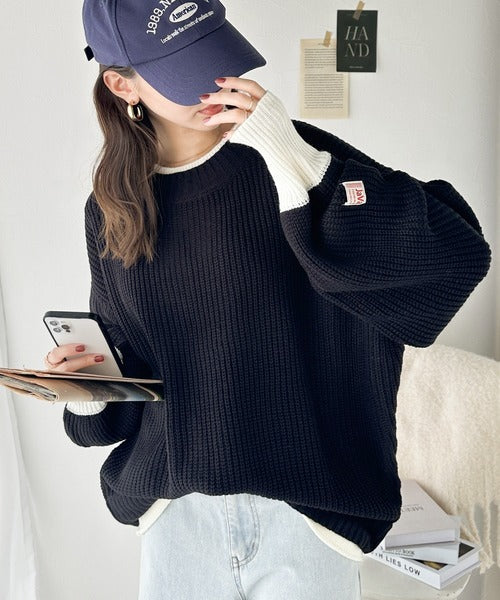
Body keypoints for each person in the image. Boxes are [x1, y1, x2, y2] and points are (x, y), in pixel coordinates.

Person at [43, 1, 491, 599]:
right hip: (177, 517)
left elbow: (455, 258)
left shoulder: (288, 156)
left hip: (308, 515)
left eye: (215, 56)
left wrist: (299, 159)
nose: (213, 83)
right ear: (124, 86)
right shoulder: (113, 209)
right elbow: (133, 377)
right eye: (183, 69)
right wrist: (89, 390)